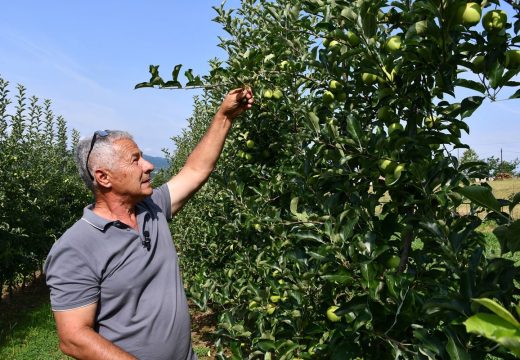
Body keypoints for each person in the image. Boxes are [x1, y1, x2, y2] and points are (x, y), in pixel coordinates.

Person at [44, 88, 254, 360]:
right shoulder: (76, 248)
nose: (148, 166)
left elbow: (196, 170)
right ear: (104, 177)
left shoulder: (152, 207)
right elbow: (73, 338)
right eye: (135, 160)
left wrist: (224, 117)